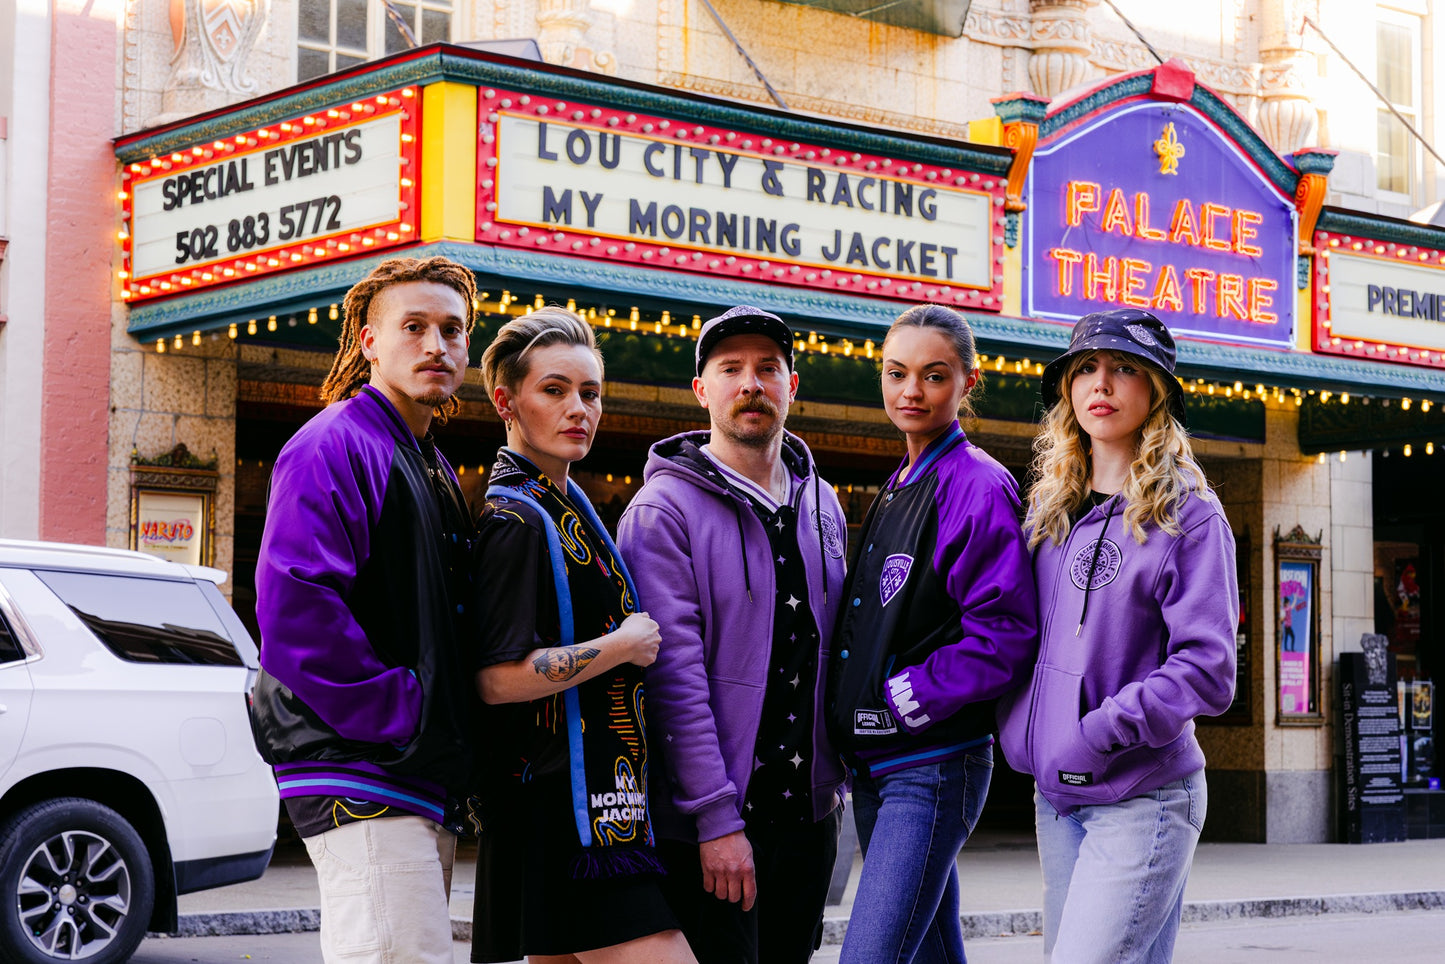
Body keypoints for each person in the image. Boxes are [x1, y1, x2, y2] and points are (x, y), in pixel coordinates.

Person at [250, 256, 478, 964]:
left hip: (403, 770)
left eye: (452, 329)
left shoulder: (421, 454)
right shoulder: (335, 443)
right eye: (413, 327)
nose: (436, 346)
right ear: (367, 340)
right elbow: (297, 607)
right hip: (362, 766)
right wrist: (407, 709)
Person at [997, 307, 1238, 963]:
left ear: (1154, 389)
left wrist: (1100, 729)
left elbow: (1208, 669)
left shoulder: (1188, 512)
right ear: (1068, 390)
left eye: (1123, 368)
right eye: (1086, 369)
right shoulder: (1050, 512)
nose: (1100, 384)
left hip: (1143, 796)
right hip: (1059, 799)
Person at [617, 305, 849, 964]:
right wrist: (715, 821)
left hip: (808, 818)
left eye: (767, 369)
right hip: (713, 824)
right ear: (702, 390)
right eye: (730, 369)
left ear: (791, 386)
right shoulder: (662, 511)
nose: (751, 383)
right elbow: (672, 679)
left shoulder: (820, 501)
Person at [468, 307, 696, 964]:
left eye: (589, 393)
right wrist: (621, 647)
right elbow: (495, 678)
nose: (579, 409)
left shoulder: (561, 504)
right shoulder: (514, 518)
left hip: (578, 803)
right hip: (559, 809)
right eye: (555, 389)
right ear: (506, 401)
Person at [826, 303, 1038, 964]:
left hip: (930, 764)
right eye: (896, 373)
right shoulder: (900, 482)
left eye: (932, 375)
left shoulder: (976, 485)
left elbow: (1004, 629)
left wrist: (905, 696)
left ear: (967, 383)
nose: (910, 391)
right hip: (874, 767)